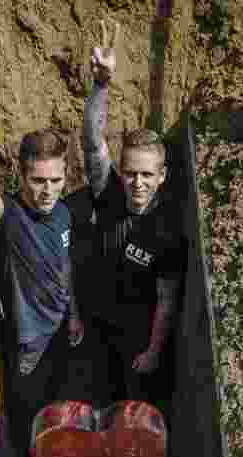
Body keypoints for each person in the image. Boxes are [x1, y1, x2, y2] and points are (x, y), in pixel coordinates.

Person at [0, 69, 84, 457]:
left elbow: (65, 265)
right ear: (21, 177)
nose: (47, 191)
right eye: (38, 181)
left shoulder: (66, 215)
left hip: (60, 338)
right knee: (28, 411)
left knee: (57, 400)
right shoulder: (12, 217)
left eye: (55, 180)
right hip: (28, 347)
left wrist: (73, 315)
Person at [75, 18, 187, 413]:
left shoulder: (168, 231)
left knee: (134, 419)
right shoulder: (109, 194)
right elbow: (91, 141)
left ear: (162, 177)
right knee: (91, 414)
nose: (137, 182)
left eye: (146, 175)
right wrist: (101, 86)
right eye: (130, 172)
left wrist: (154, 351)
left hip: (138, 343)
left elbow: (167, 300)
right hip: (96, 328)